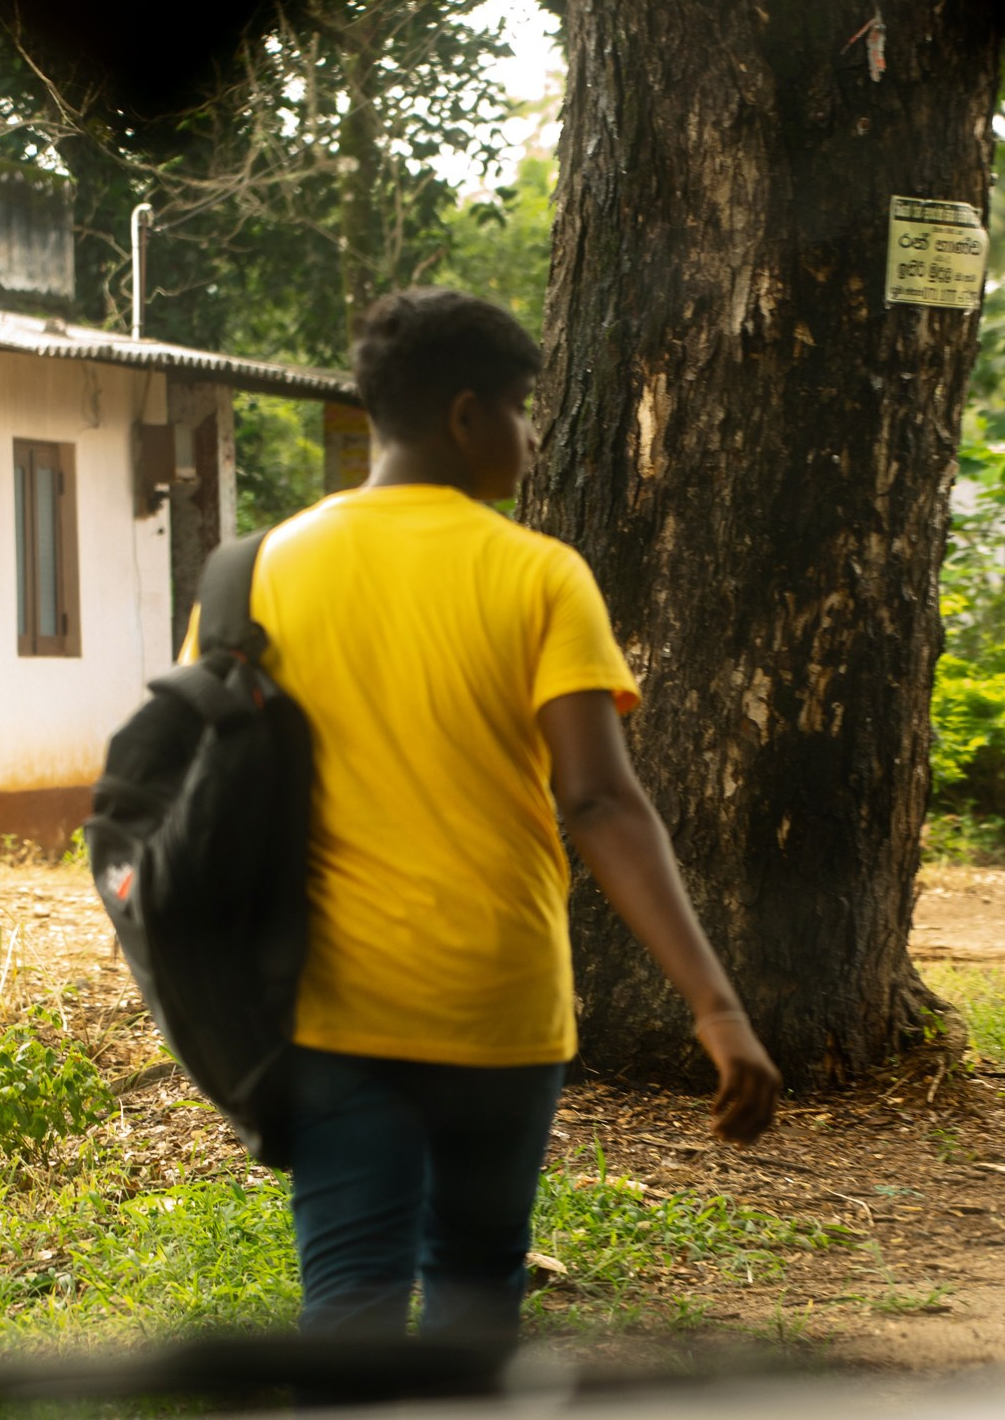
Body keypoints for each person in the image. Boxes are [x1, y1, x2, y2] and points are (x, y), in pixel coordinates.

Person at [198, 287, 781, 1344]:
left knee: (348, 1307)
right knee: (474, 1296)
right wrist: (716, 1006)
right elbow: (598, 799)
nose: (527, 436)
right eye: (520, 409)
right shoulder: (537, 575)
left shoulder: (250, 575)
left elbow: (219, 799)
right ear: (466, 415)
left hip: (326, 1005)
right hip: (496, 1004)